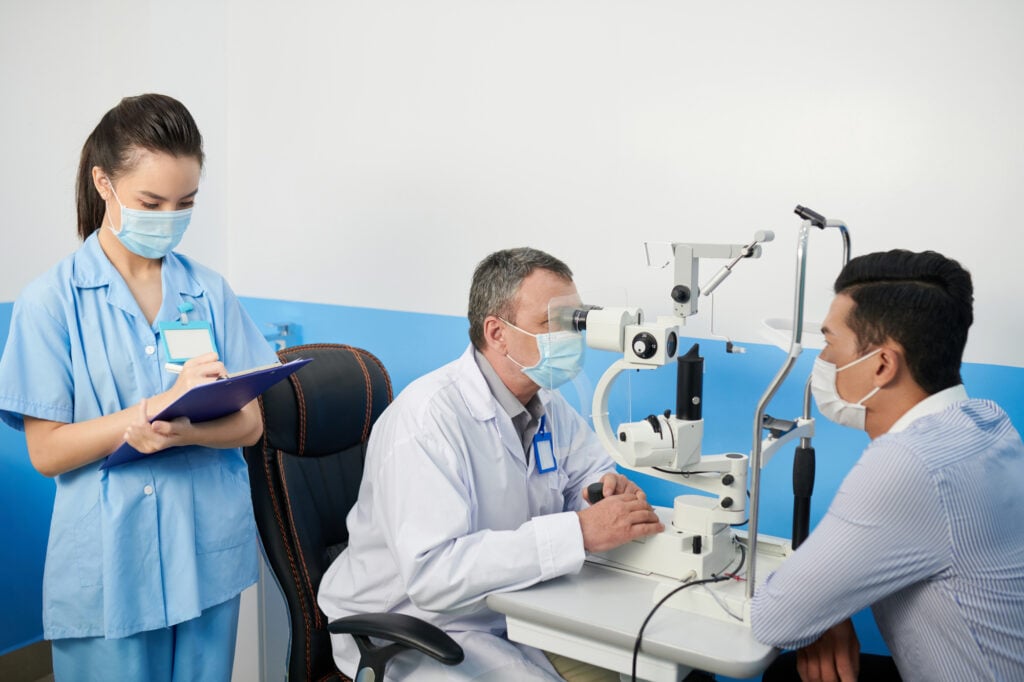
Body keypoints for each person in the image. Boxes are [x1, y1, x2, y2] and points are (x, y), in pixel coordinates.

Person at [0, 94, 279, 681]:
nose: (168, 217)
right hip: (110, 567)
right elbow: (48, 451)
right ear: (104, 182)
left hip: (205, 559)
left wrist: (184, 430)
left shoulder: (208, 290)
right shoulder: (51, 303)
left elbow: (250, 425)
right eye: (152, 202)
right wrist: (151, 408)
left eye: (185, 204)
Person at [318, 247, 665, 681]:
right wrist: (579, 531)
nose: (570, 338)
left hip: (513, 607)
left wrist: (602, 492)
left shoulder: (547, 404)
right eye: (552, 324)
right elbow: (434, 574)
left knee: (637, 668)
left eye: (576, 321)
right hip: (410, 626)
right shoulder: (427, 421)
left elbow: (585, 476)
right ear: (497, 333)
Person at [750, 250, 1024, 682]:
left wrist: (814, 608)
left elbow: (775, 620)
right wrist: (824, 607)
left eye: (829, 343)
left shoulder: (909, 464)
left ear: (881, 365)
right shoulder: (988, 421)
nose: (823, 360)